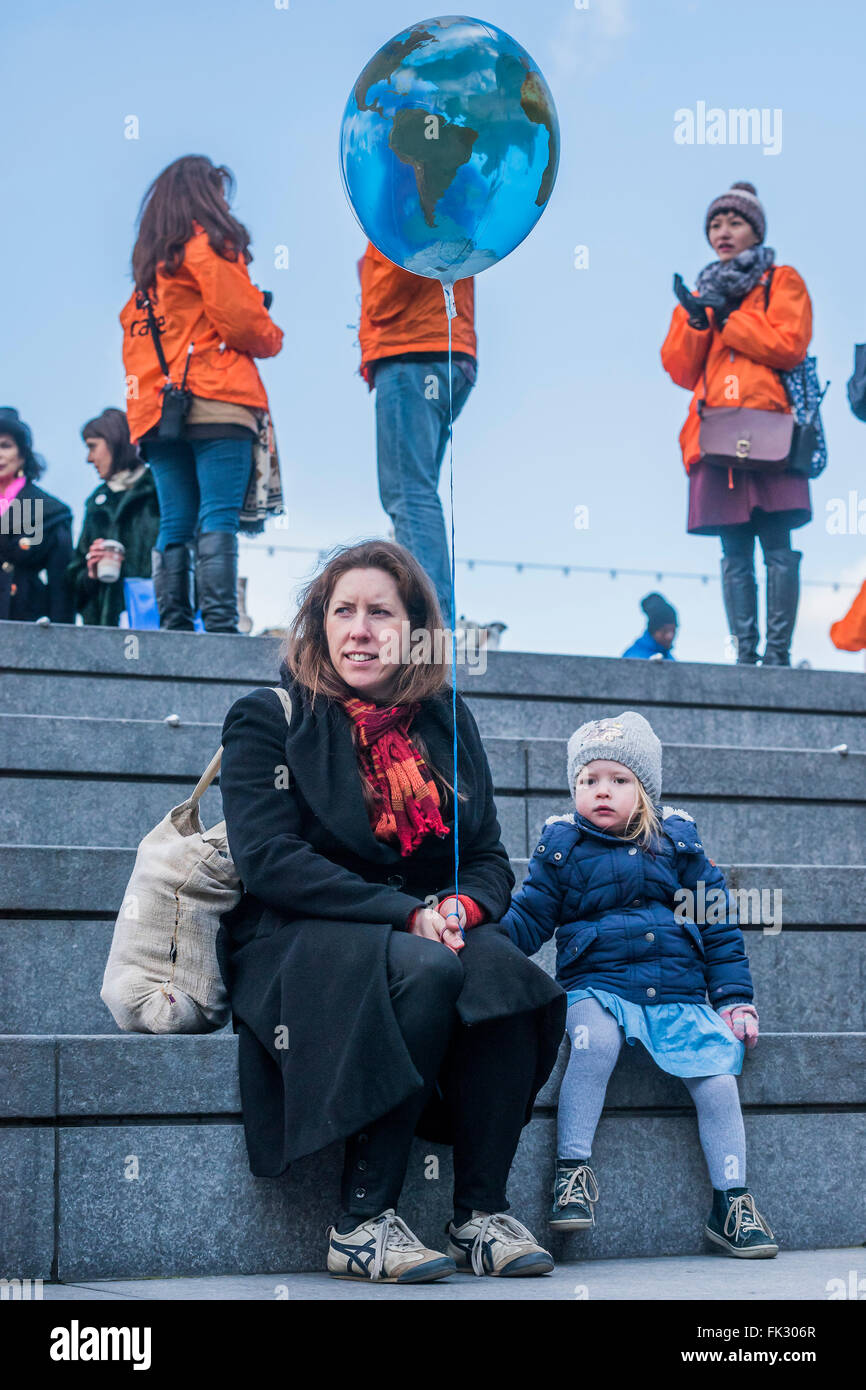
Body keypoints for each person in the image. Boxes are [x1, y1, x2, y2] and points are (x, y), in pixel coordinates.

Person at [216, 539, 566, 1283]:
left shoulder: (443, 721)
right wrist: (406, 915)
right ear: (320, 624)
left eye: (381, 612)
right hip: (298, 935)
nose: (361, 629)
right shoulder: (269, 717)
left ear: (415, 631)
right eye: (344, 611)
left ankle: (479, 1212)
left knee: (509, 975)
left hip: (419, 926)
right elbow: (271, 863)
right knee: (428, 968)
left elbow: (488, 858)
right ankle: (362, 1220)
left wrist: (462, 908)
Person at [501, 712, 778, 1259]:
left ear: (645, 790)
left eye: (618, 780)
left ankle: (732, 1202)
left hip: (676, 992)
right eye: (589, 781)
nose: (601, 791)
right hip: (597, 988)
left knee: (718, 1076)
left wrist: (735, 1000)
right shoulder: (560, 847)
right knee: (592, 1045)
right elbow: (529, 920)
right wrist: (485, 936)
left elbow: (717, 923)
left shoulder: (678, 843)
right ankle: (572, 1173)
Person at [121, 155, 283, 632]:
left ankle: (173, 627)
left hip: (158, 414)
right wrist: (272, 333)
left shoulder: (146, 279)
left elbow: (136, 353)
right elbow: (244, 323)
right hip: (218, 400)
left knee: (175, 521)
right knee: (218, 514)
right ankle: (219, 626)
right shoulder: (209, 246)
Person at [661, 182, 813, 666]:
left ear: (755, 230)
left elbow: (789, 344)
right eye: (714, 224)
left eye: (734, 222)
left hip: (769, 429)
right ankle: (746, 656)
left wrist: (727, 318)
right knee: (733, 547)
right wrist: (694, 319)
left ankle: (779, 655)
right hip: (717, 431)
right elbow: (681, 371)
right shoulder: (706, 291)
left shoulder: (780, 280)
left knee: (777, 543)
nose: (722, 232)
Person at [358, 243, 477, 626]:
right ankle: (436, 617)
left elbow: (381, 301)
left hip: (413, 353)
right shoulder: (454, 198)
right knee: (419, 491)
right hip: (449, 351)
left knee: (409, 494)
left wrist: (370, 271)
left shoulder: (407, 205)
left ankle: (429, 621)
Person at [66, 408, 160, 626]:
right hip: (103, 634)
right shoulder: (97, 502)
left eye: (92, 447)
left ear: (114, 441)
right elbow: (74, 579)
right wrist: (91, 571)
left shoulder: (159, 492)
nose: (89, 459)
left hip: (154, 627)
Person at [0, 407, 74, 624]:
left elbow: (61, 586)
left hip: (25, 624)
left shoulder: (49, 511)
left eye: (5, 446)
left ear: (22, 455)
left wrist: (62, 642)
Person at [622, 591, 677, 659]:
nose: (670, 636)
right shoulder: (633, 657)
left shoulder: (670, 659)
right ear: (653, 631)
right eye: (664, 631)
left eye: (673, 630)